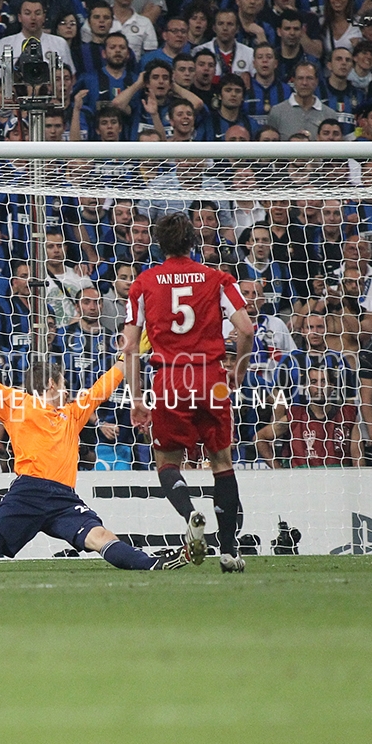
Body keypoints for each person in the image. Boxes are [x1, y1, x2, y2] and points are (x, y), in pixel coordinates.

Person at [0, 304, 191, 572]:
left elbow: (104, 385)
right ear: (51, 384)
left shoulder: (72, 413)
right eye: (63, 383)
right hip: (27, 493)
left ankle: (152, 563)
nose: (66, 389)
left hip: (64, 499)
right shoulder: (15, 403)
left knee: (101, 537)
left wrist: (128, 356)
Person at [122, 213, 254, 572]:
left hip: (170, 379)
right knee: (222, 462)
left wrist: (137, 399)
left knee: (167, 462)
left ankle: (190, 512)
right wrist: (237, 370)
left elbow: (131, 348)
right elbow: (246, 327)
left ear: (159, 244)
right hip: (212, 377)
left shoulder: (144, 284)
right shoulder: (218, 278)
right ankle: (228, 551)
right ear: (193, 242)